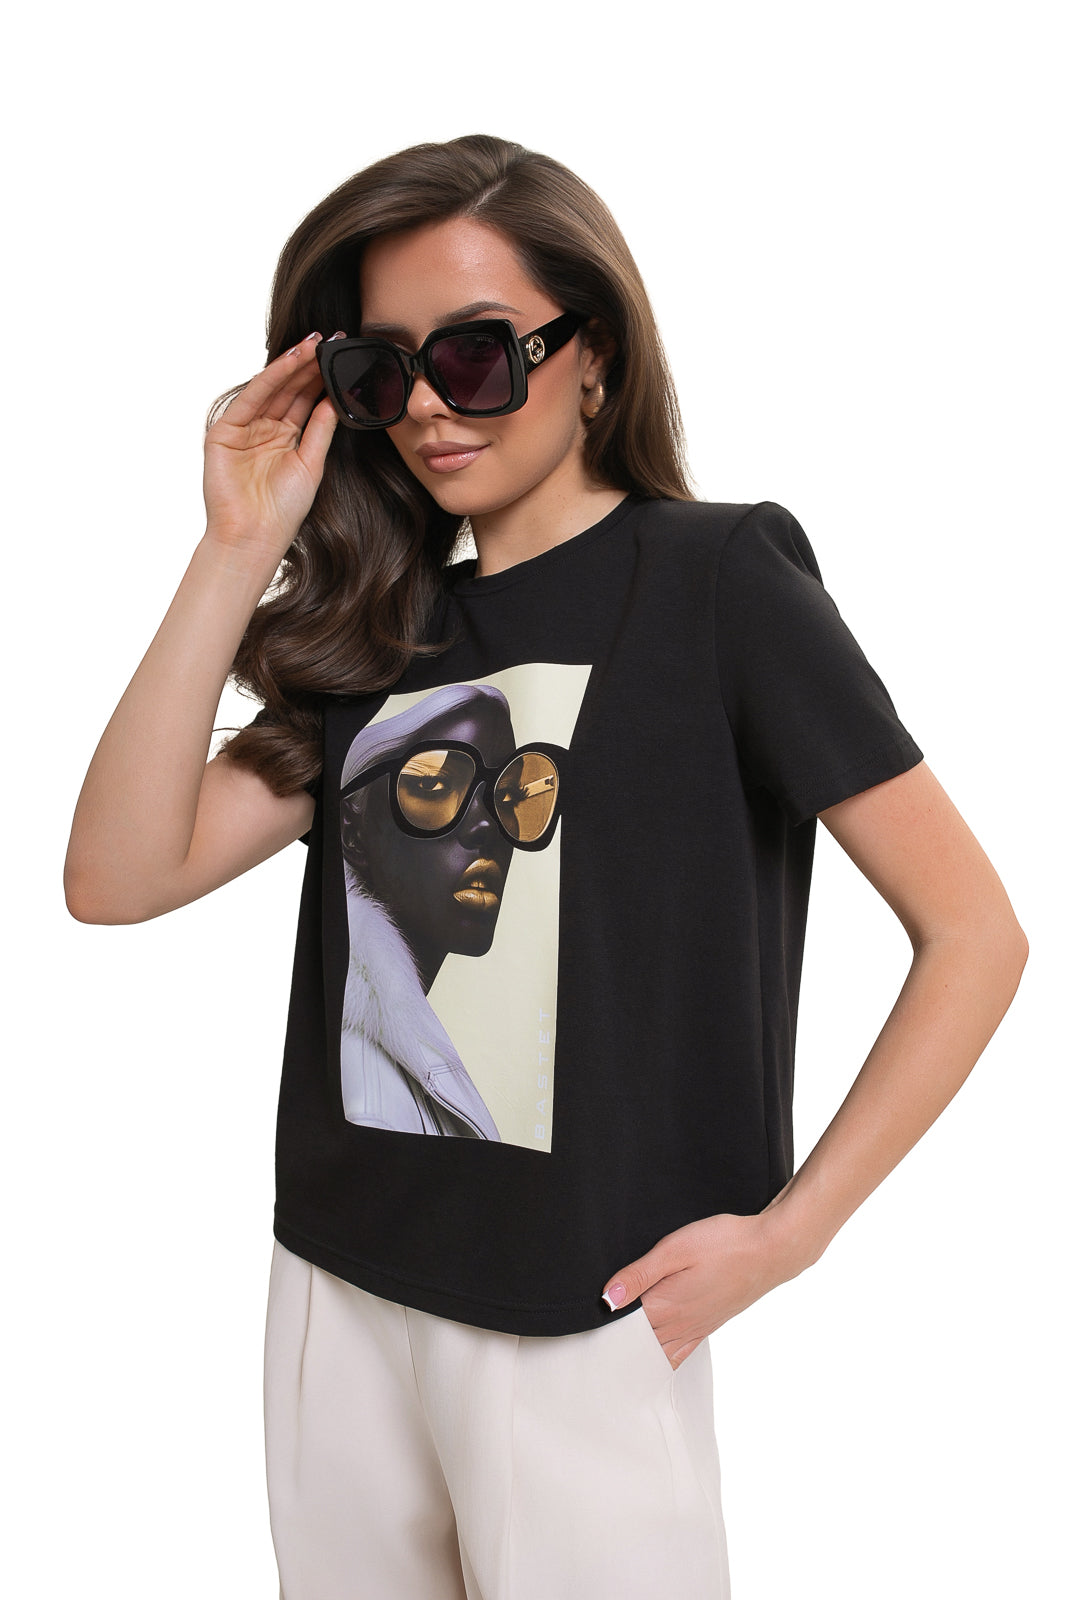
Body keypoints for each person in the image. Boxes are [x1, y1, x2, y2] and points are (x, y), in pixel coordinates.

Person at [63, 133, 1028, 1600]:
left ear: (596, 359)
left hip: (589, 1304)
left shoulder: (718, 581)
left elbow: (974, 933)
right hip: (335, 1282)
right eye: (382, 371)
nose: (428, 408)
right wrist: (235, 543)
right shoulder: (382, 634)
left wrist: (793, 1236)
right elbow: (117, 879)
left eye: (476, 354)